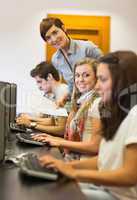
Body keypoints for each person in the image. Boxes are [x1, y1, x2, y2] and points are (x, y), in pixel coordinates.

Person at [38, 51, 137, 200]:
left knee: (54, 193)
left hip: (117, 196)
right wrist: (65, 166)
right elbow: (103, 160)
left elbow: (130, 175)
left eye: (102, 80)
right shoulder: (117, 114)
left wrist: (74, 172)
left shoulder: (134, 115)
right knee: (49, 186)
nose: (97, 87)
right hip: (105, 189)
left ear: (122, 81)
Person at [33, 58, 102, 160]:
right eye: (77, 75)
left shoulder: (97, 103)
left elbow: (95, 147)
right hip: (74, 158)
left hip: (83, 163)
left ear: (97, 78)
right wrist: (52, 138)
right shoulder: (80, 101)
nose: (80, 80)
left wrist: (60, 142)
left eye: (86, 75)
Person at [40, 17, 102, 104]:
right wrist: (65, 98)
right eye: (48, 38)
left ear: (64, 28)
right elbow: (71, 86)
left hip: (97, 101)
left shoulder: (88, 48)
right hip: (77, 103)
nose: (53, 39)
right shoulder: (56, 59)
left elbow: (108, 75)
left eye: (55, 32)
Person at [16, 61, 69, 136]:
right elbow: (50, 120)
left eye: (40, 81)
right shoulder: (50, 95)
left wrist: (31, 122)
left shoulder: (63, 92)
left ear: (49, 77)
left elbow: (59, 127)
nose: (39, 86)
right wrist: (28, 119)